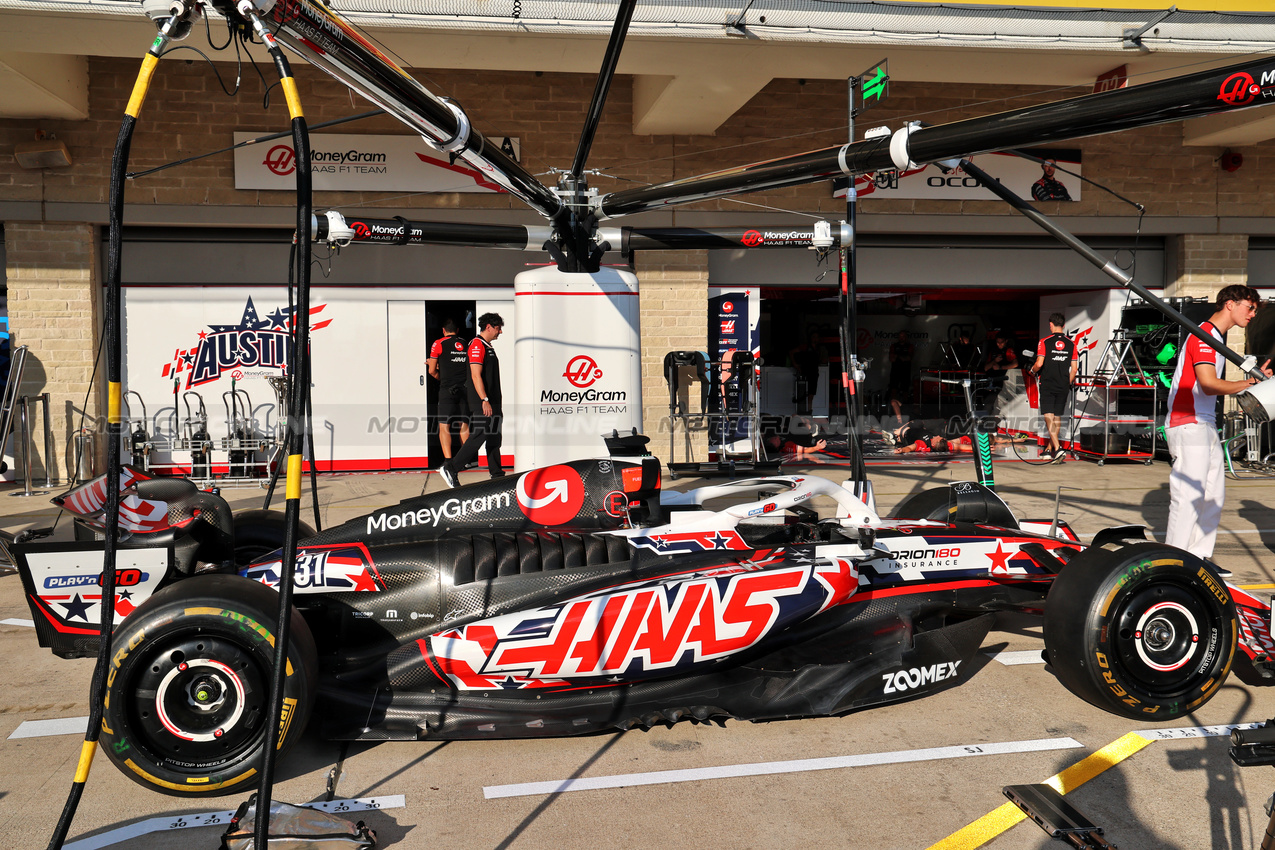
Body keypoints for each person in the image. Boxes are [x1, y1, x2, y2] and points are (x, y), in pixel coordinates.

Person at [1165, 285, 1271, 560]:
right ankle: (1174, 559)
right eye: (1250, 308)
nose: (1252, 315)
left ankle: (1198, 558)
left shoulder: (1216, 338)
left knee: (1212, 497)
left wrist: (1251, 382)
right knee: (1189, 496)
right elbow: (1208, 384)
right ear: (1230, 304)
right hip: (1189, 422)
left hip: (1205, 423)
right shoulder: (1203, 336)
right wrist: (1247, 383)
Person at [439, 313, 504, 488]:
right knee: (479, 435)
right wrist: (484, 399)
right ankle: (451, 468)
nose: (501, 332)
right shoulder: (477, 345)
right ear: (489, 327)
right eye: (498, 328)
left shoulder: (488, 346)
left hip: (494, 402)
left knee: (494, 438)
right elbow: (475, 375)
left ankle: (497, 474)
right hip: (483, 402)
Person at [1030, 313, 1078, 463]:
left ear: (1050, 324)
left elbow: (1039, 364)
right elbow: (1074, 369)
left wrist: (1032, 371)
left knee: (1048, 416)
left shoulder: (1044, 342)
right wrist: (1066, 383)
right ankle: (1049, 450)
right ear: (1063, 325)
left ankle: (1057, 448)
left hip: (1048, 383)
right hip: (1063, 385)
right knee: (1057, 417)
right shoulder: (1072, 343)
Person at [427, 317, 471, 468]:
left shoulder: (438, 343)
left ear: (443, 330)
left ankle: (448, 461)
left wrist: (441, 377)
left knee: (444, 426)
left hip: (447, 390)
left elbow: (431, 371)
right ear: (457, 331)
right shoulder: (466, 343)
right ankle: (464, 461)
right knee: (464, 425)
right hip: (464, 390)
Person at [789, 332, 824, 415]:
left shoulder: (819, 349)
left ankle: (809, 412)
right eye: (813, 337)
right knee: (803, 392)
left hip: (814, 373)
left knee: (811, 394)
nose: (815, 339)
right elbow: (791, 352)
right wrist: (795, 364)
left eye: (817, 337)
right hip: (805, 372)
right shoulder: (805, 347)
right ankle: (801, 411)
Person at [887, 331, 914, 425]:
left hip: (905, 372)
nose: (901, 338)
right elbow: (891, 358)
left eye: (903, 336)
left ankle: (905, 414)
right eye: (900, 336)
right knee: (893, 391)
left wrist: (898, 356)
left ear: (906, 337)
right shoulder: (894, 346)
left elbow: (908, 358)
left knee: (905, 392)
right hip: (895, 372)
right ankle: (894, 413)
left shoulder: (909, 346)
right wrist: (901, 357)